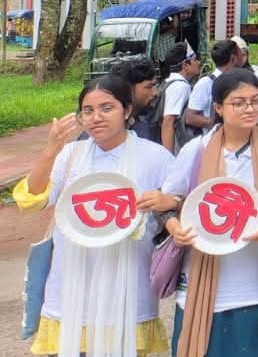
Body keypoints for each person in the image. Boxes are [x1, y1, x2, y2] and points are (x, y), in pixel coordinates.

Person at [14, 75, 175, 355]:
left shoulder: (155, 157)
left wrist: (165, 200)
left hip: (128, 284)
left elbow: (180, 202)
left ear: (126, 111)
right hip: (71, 285)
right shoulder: (71, 155)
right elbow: (32, 200)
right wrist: (51, 149)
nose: (96, 118)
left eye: (106, 108)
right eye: (87, 111)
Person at [159, 68, 258, 356]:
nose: (249, 109)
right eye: (239, 102)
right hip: (202, 280)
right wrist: (174, 228)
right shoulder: (196, 151)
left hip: (256, 283)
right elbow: (167, 204)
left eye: (255, 101)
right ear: (218, 108)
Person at [160, 43, 203, 153]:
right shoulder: (180, 86)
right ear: (185, 65)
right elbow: (168, 122)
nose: (199, 62)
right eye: (195, 59)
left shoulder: (168, 81)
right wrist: (168, 157)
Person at [109, 57, 162, 144]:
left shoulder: (137, 124)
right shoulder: (102, 126)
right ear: (128, 88)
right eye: (149, 87)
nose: (155, 93)